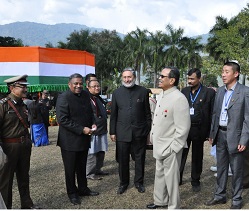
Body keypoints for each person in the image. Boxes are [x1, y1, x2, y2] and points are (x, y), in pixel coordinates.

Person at [205, 60, 249, 209]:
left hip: (235, 137)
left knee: (237, 170)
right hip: (220, 135)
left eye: (226, 72)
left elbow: (247, 118)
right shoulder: (220, 91)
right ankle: (220, 195)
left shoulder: (244, 91)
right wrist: (212, 133)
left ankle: (237, 199)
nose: (223, 75)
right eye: (222, 72)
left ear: (236, 74)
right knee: (221, 168)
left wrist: (244, 139)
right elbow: (215, 114)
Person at [147, 67, 190, 209]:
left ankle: (173, 206)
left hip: (170, 146)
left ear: (172, 80)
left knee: (171, 180)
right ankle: (160, 201)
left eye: (162, 76)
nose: (159, 78)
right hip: (160, 144)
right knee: (159, 175)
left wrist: (174, 147)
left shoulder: (179, 98)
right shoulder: (163, 95)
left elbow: (183, 128)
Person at [56, 73, 99, 205]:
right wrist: (81, 129)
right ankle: (72, 193)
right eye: (76, 83)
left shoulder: (86, 95)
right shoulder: (64, 97)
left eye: (80, 83)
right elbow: (62, 120)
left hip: (84, 139)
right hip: (69, 141)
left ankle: (83, 188)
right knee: (70, 169)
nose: (78, 86)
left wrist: (92, 123)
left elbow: (89, 112)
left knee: (82, 166)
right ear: (70, 84)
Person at [110, 67, 151, 194]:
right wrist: (112, 131)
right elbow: (114, 115)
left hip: (139, 133)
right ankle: (123, 183)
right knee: (122, 160)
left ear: (134, 77)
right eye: (125, 77)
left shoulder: (143, 91)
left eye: (129, 77)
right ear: (122, 78)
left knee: (140, 159)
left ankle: (139, 182)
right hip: (122, 132)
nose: (127, 79)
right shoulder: (116, 93)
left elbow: (147, 114)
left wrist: (147, 130)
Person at [0, 75, 40, 209]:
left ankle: (27, 205)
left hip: (24, 146)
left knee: (24, 177)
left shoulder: (23, 104)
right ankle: (6, 207)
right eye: (22, 86)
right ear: (11, 88)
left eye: (25, 86)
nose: (25, 88)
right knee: (6, 181)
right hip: (8, 147)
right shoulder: (3, 105)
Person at [179, 68, 216, 192]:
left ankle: (195, 180)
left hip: (199, 129)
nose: (189, 81)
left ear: (199, 79)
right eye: (188, 78)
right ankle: (177, 178)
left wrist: (210, 132)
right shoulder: (184, 91)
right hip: (184, 129)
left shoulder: (209, 93)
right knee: (181, 154)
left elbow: (212, 113)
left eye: (192, 79)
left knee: (197, 156)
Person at [86, 80, 109, 180]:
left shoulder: (99, 99)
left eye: (98, 86)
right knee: (92, 153)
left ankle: (98, 169)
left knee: (101, 151)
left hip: (102, 129)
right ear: (88, 87)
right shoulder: (86, 99)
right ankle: (90, 173)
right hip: (93, 130)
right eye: (94, 86)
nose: (97, 88)